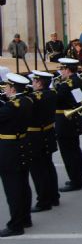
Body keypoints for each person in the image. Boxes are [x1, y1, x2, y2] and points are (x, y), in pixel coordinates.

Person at [0, 74, 33, 238]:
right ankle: (25, 218)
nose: (4, 89)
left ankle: (15, 224)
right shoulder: (27, 101)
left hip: (9, 149)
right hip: (23, 145)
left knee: (12, 188)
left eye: (6, 87)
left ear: (12, 89)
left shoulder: (11, 106)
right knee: (23, 184)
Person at [27, 71, 59, 213]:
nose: (32, 83)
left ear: (39, 83)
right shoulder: (51, 93)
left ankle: (44, 201)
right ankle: (53, 196)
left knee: (38, 171)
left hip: (35, 137)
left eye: (34, 81)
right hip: (48, 133)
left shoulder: (33, 98)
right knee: (48, 166)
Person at [54, 58, 82, 192]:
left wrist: (55, 87)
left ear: (67, 69)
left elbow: (57, 100)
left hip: (65, 120)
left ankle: (75, 180)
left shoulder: (66, 84)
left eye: (62, 69)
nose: (61, 71)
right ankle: (79, 177)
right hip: (75, 118)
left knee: (68, 152)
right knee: (75, 150)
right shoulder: (79, 80)